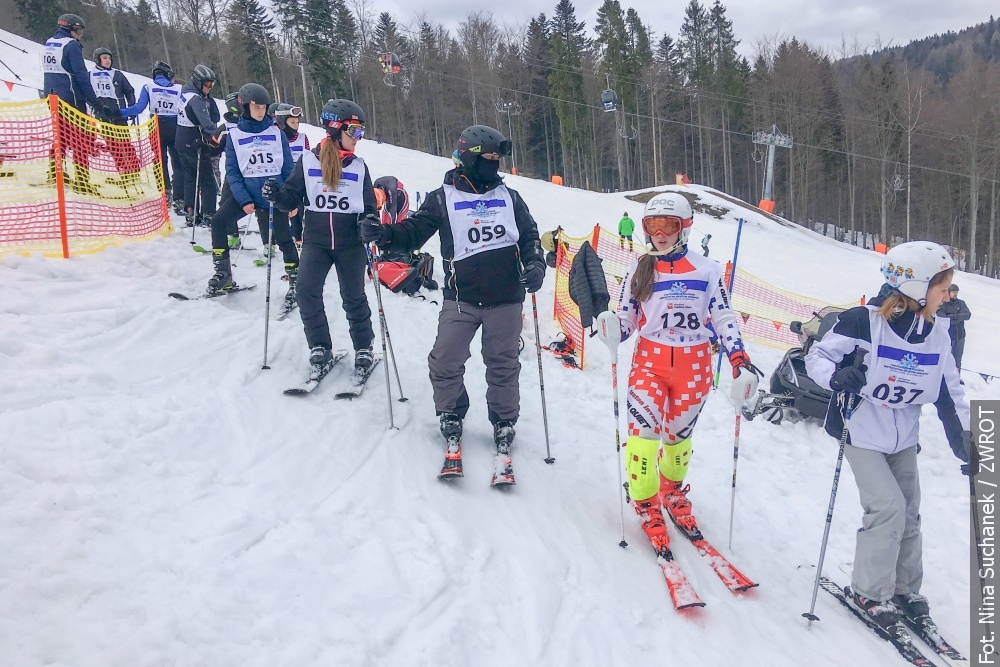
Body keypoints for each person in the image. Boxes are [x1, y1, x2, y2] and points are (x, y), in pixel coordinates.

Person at [359, 124, 545, 478]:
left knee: (503, 363)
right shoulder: (443, 197)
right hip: (461, 298)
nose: (495, 164)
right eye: (489, 158)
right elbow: (413, 232)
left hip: (506, 298)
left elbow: (530, 236)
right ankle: (451, 412)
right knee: (445, 359)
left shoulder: (510, 197)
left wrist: (535, 265)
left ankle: (504, 420)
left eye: (497, 159)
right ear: (470, 158)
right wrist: (383, 234)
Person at [804, 241, 970, 634]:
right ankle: (868, 591)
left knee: (910, 511)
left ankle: (904, 590)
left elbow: (951, 392)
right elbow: (817, 358)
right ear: (916, 287)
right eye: (942, 286)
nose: (949, 295)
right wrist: (836, 377)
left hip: (904, 437)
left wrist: (969, 442)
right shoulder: (863, 321)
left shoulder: (937, 333)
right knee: (888, 507)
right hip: (860, 430)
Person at [595, 193, 758, 554]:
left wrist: (739, 359)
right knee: (641, 440)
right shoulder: (640, 269)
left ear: (683, 227)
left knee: (677, 442)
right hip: (650, 363)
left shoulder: (707, 270)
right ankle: (646, 502)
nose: (659, 233)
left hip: (694, 364)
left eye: (667, 224)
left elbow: (723, 317)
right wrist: (612, 329)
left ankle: (671, 489)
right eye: (652, 225)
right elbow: (626, 319)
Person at [262, 98, 377, 379]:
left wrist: (368, 224)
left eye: (360, 132)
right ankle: (320, 347)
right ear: (336, 130)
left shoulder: (359, 167)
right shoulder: (308, 161)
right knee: (305, 291)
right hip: (316, 240)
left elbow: (370, 208)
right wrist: (276, 197)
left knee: (353, 296)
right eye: (354, 131)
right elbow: (292, 195)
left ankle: (364, 346)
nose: (358, 137)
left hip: (350, 243)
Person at [207, 83, 299, 303]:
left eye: (263, 107)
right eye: (256, 107)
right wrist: (244, 199)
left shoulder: (276, 133)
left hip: (274, 196)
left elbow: (288, 168)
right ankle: (224, 274)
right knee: (219, 221)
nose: (260, 111)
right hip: (247, 194)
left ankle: (296, 282)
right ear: (245, 107)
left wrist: (290, 199)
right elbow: (232, 172)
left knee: (284, 237)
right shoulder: (236, 136)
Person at [42, 14, 100, 193]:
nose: (80, 35)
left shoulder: (49, 43)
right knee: (80, 139)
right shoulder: (71, 46)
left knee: (60, 137)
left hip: (53, 98)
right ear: (70, 29)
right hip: (72, 99)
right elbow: (81, 75)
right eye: (79, 30)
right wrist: (93, 100)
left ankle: (55, 172)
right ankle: (82, 181)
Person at [120, 61, 184, 212]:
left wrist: (119, 112)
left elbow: (138, 108)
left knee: (160, 161)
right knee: (178, 163)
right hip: (175, 126)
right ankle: (179, 197)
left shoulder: (148, 87)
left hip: (155, 127)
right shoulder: (178, 88)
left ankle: (165, 193)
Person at [174, 64, 220, 227]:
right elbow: (207, 123)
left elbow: (215, 114)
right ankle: (209, 213)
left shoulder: (187, 91)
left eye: (212, 84)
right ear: (198, 82)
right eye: (207, 84)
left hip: (181, 137)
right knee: (207, 178)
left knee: (190, 176)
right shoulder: (196, 99)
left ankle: (191, 211)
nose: (210, 88)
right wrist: (218, 135)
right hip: (194, 139)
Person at [89, 47, 139, 188]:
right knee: (112, 144)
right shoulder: (91, 74)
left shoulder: (117, 74)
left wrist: (131, 108)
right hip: (103, 115)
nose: (107, 61)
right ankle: (122, 171)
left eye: (109, 58)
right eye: (104, 58)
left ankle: (133, 171)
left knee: (125, 143)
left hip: (119, 114)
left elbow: (129, 91)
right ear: (98, 59)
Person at [273, 103, 309, 243]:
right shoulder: (275, 137)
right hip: (282, 176)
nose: (296, 125)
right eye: (292, 122)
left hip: (298, 176)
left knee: (299, 205)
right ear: (283, 122)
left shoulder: (302, 138)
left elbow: (307, 157)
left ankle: (299, 236)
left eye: (297, 122)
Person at [937, 283, 971, 370]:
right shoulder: (943, 304)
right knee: (945, 357)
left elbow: (967, 315)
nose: (955, 294)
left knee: (958, 358)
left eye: (956, 292)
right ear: (948, 293)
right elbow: (943, 318)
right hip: (947, 335)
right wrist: (958, 317)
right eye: (953, 292)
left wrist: (952, 316)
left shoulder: (961, 303)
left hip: (960, 335)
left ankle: (956, 377)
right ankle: (943, 377)